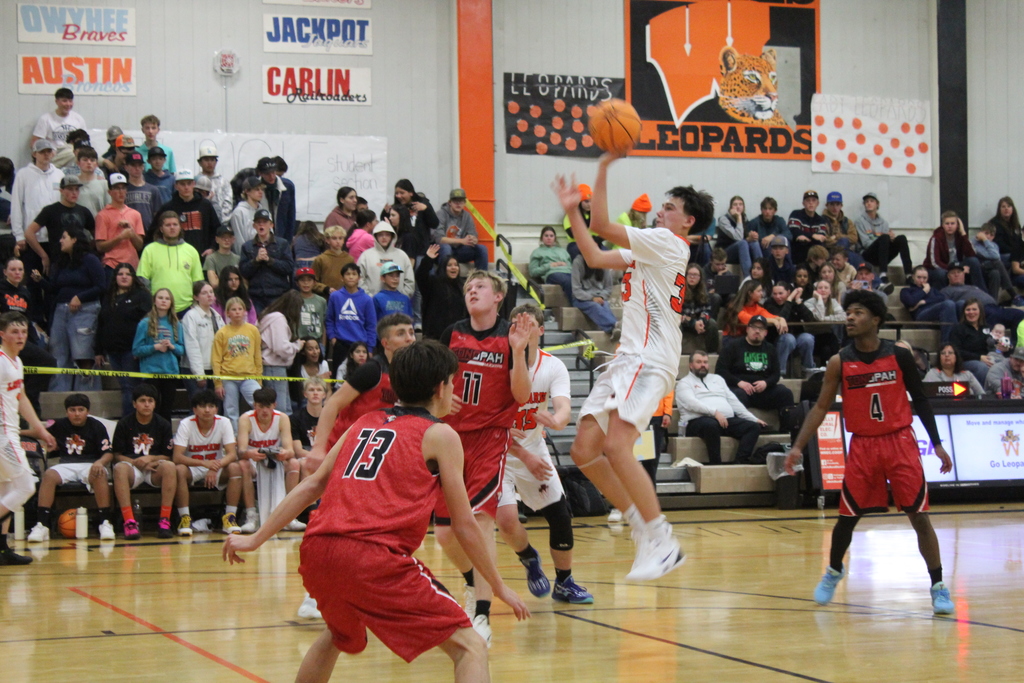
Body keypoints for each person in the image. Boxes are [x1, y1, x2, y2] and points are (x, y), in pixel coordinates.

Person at [222, 341, 529, 681]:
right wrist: (498, 586)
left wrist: (255, 539)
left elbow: (310, 487)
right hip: (374, 560)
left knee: (338, 635)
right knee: (470, 646)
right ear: (441, 387)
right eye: (453, 383)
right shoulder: (441, 435)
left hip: (318, 551)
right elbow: (465, 525)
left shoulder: (364, 422)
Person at [553, 153, 714, 581]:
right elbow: (592, 253)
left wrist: (602, 167)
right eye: (662, 205)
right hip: (628, 358)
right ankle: (642, 527)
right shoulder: (651, 248)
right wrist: (573, 211)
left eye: (670, 208)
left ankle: (663, 538)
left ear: (688, 222)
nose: (661, 211)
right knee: (584, 449)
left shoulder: (668, 243)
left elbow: (603, 227)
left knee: (617, 447)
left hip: (650, 358)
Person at [784, 290, 955, 616]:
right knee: (847, 518)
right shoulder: (839, 361)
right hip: (863, 445)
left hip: (900, 441)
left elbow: (920, 399)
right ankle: (834, 570)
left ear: (875, 318)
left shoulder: (900, 354)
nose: (850, 317)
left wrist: (937, 443)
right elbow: (821, 407)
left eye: (858, 312)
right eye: (848, 312)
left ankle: (938, 586)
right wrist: (797, 447)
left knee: (919, 516)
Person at [427, 274, 535, 645]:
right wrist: (442, 399)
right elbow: (434, 384)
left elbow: (521, 395)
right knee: (444, 533)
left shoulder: (512, 337)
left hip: (489, 439)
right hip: (450, 439)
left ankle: (483, 616)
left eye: (480, 287)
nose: (472, 291)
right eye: (468, 288)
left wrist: (519, 352)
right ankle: (475, 578)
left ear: (498, 298)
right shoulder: (451, 335)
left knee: (479, 522)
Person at [495, 303, 593, 604]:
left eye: (528, 324)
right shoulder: (498, 366)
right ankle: (528, 558)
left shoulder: (553, 366)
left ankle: (565, 582)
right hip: (496, 452)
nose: (521, 329)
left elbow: (563, 407)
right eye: (515, 324)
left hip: (533, 447)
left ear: (540, 330)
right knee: (508, 520)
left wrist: (558, 419)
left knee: (560, 515)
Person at [0, 312, 56, 564]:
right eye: (14, 331)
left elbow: (22, 398)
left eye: (23, 331)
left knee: (8, 489)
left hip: (11, 432)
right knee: (26, 486)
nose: (20, 336)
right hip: (3, 436)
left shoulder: (17, 362)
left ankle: (2, 550)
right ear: (2, 334)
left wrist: (40, 429)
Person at [28, 393, 116, 542]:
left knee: (100, 473)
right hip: (66, 464)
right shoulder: (59, 425)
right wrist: (14, 432)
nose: (76, 414)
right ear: (66, 411)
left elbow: (108, 453)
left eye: (80, 410)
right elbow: (39, 433)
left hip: (90, 464)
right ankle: (42, 525)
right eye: (72, 410)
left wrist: (100, 462)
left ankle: (105, 522)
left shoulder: (96, 426)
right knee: (49, 475)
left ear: (87, 411)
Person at [32, 227, 104, 392]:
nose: (60, 241)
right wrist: (40, 280)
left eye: (64, 237)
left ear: (75, 239)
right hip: (60, 311)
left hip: (85, 311)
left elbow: (101, 286)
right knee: (58, 354)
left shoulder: (90, 260)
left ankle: (87, 397)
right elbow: (53, 289)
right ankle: (59, 396)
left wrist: (80, 297)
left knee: (82, 355)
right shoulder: (62, 262)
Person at [172, 390, 243, 536]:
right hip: (192, 468)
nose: (207, 410)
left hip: (216, 466)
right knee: (178, 469)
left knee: (236, 467)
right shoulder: (186, 424)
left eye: (211, 406)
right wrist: (206, 464)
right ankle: (185, 518)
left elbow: (232, 454)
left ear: (216, 409)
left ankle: (229, 517)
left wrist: (215, 466)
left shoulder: (224, 422)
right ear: (194, 409)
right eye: (203, 406)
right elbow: (177, 457)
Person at [676, 350, 767, 464]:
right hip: (697, 421)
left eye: (705, 362)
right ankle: (716, 464)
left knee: (752, 427)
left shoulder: (717, 379)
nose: (703, 365)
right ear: (690, 365)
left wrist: (754, 419)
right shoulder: (684, 383)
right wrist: (715, 413)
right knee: (711, 425)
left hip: (725, 419)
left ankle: (740, 461)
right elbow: (691, 403)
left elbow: (733, 402)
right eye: (699, 362)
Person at [111, 383, 177, 539]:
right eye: (142, 400)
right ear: (134, 404)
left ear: (155, 404)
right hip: (131, 467)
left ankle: (164, 520)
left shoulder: (163, 424)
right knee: (119, 468)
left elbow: (167, 455)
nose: (147, 404)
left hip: (154, 468)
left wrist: (151, 459)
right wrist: (136, 462)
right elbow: (116, 455)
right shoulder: (124, 424)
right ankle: (129, 522)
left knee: (169, 466)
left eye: (150, 401)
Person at [237, 387, 304, 534]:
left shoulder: (282, 418)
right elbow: (240, 452)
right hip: (254, 461)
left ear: (275, 405)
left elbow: (290, 450)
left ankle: (290, 515)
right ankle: (251, 516)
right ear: (254, 405)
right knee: (243, 465)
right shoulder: (245, 419)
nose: (265, 411)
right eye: (261, 406)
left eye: (268, 406)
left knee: (294, 463)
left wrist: (284, 453)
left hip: (275, 461)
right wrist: (250, 453)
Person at [95, 263, 152, 415]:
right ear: (115, 277)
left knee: (130, 387)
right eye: (120, 274)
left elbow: (149, 323)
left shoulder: (142, 296)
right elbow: (101, 323)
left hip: (132, 350)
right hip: (113, 351)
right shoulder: (108, 297)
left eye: (128, 274)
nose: (124, 277)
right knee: (125, 387)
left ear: (133, 278)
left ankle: (129, 421)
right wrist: (98, 350)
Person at [0, 259, 56, 412]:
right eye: (13, 269)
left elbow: (28, 320)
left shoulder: (25, 292)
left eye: (20, 269)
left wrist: (34, 342)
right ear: (5, 272)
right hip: (4, 340)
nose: (17, 273)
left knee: (48, 362)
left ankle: (29, 401)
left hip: (21, 338)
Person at [717, 314, 795, 419]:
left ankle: (787, 430)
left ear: (765, 333)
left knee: (785, 393)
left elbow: (776, 374)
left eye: (761, 328)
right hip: (740, 388)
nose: (757, 331)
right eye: (754, 327)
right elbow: (721, 371)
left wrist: (766, 383)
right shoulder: (732, 346)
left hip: (763, 391)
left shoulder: (770, 349)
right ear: (748, 329)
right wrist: (739, 383)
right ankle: (740, 428)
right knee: (736, 395)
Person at [11, 140, 63, 280]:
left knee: (53, 280)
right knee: (34, 280)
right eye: (42, 152)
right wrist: (19, 236)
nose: (46, 155)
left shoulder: (59, 174)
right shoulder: (23, 174)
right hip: (33, 239)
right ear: (34, 154)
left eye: (48, 151)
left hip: (54, 239)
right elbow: (16, 205)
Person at [25, 174, 95, 276]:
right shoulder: (50, 210)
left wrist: (88, 249)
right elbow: (29, 233)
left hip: (80, 261)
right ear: (61, 191)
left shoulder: (84, 211)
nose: (74, 193)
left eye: (76, 189)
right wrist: (44, 256)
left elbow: (97, 234)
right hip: (58, 261)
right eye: (70, 189)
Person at [212, 297, 263, 433]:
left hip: (249, 376)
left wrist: (259, 379)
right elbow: (216, 359)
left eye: (240, 309)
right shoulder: (222, 333)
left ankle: (258, 434)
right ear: (227, 313)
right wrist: (218, 383)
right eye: (233, 310)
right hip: (228, 377)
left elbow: (257, 356)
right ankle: (233, 439)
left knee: (260, 404)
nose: (237, 312)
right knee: (231, 410)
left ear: (245, 311)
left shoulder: (253, 330)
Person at [132, 288, 184, 421]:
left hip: (170, 372)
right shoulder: (145, 323)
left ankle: (165, 439)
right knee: (151, 410)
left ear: (171, 303)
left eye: (167, 298)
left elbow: (181, 350)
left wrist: (171, 346)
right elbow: (136, 350)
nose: (163, 301)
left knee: (166, 409)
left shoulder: (176, 324)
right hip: (151, 372)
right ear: (154, 301)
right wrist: (155, 347)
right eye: (160, 298)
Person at [137, 211, 204, 312]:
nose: (172, 227)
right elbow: (143, 280)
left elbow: (197, 282)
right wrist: (151, 303)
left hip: (186, 309)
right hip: (159, 309)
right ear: (161, 229)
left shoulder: (191, 250)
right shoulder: (149, 250)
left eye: (175, 224)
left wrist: (195, 304)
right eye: (168, 225)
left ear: (180, 227)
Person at [258, 291, 305, 415]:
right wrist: (297, 346)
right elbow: (281, 348)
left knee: (287, 408)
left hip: (276, 366)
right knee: (280, 408)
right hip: (273, 366)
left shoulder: (272, 316)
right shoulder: (278, 319)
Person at [156, 169, 221, 257]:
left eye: (189, 183)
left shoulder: (205, 205)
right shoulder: (168, 207)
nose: (186, 187)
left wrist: (213, 248)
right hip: (175, 256)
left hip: (202, 256)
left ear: (194, 184)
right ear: (176, 186)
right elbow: (156, 231)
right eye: (182, 184)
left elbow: (216, 229)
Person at [240, 208, 294, 312]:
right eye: (258, 222)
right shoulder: (247, 247)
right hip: (256, 297)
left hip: (278, 295)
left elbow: (289, 267)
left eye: (265, 222)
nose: (261, 225)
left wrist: (270, 260)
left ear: (271, 225)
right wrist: (256, 260)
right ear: (254, 226)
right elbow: (243, 271)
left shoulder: (282, 244)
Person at [327, 263, 377, 371]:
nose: (350, 277)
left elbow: (371, 325)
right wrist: (333, 338)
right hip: (341, 343)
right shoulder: (335, 296)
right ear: (342, 278)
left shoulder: (367, 299)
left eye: (354, 274)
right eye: (347, 274)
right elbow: (330, 319)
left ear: (359, 278)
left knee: (360, 377)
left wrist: (369, 348)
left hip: (360, 345)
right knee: (339, 377)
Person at [93, 173, 144, 278]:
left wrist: (131, 233)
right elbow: (100, 247)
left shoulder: (135, 214)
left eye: (123, 188)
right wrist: (120, 237)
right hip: (112, 265)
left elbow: (139, 246)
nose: (121, 192)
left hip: (132, 265)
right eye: (117, 188)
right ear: (110, 192)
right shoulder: (102, 215)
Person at [418, 244, 469, 341]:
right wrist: (428, 259)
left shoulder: (462, 286)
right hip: (434, 337)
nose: (453, 268)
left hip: (457, 336)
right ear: (443, 268)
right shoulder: (433, 284)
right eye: (449, 265)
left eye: (456, 265)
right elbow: (421, 276)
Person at [764, 281, 816, 377]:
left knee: (807, 338)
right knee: (788, 338)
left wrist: (798, 302)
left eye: (780, 293)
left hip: (797, 336)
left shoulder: (794, 302)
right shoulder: (769, 303)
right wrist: (789, 301)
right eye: (775, 294)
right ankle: (779, 372)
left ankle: (808, 369)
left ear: (788, 292)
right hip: (777, 338)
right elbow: (781, 317)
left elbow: (809, 318)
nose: (777, 297)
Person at [181, 281, 224, 396]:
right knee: (199, 404)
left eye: (211, 292)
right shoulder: (191, 316)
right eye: (204, 293)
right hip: (194, 369)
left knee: (214, 406)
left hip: (214, 368)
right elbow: (192, 345)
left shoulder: (217, 316)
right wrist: (199, 374)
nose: (209, 295)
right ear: (196, 297)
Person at [924, 212, 984, 289]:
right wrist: (954, 270)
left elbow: (972, 253)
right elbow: (935, 262)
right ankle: (942, 297)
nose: (950, 226)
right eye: (947, 223)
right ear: (943, 225)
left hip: (957, 265)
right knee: (940, 273)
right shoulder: (936, 238)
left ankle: (981, 292)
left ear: (957, 225)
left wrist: (963, 233)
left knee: (973, 261)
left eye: (952, 223)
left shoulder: (960, 236)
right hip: (938, 269)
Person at [900, 266, 958, 344]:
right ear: (913, 277)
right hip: (921, 316)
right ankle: (946, 345)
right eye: (919, 277)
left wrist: (924, 302)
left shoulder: (932, 290)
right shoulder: (906, 291)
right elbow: (911, 302)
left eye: (925, 278)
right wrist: (924, 291)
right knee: (948, 304)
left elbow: (942, 298)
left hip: (938, 314)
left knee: (960, 304)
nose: (922, 280)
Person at [436, 188, 488, 271]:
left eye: (461, 201)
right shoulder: (441, 214)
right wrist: (462, 241)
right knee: (446, 248)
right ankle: (443, 279)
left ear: (464, 203)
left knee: (481, 249)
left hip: (460, 250)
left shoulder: (467, 216)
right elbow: (439, 239)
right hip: (442, 250)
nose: (458, 204)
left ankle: (482, 278)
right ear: (450, 202)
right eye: (455, 201)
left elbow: (473, 234)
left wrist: (472, 239)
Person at [357, 222, 415, 297]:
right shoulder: (366, 256)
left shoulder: (402, 255)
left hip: (398, 302)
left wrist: (402, 297)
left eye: (387, 235)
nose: (384, 237)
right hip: (372, 302)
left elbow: (409, 281)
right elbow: (359, 279)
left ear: (392, 236)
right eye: (380, 235)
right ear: (375, 236)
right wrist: (369, 298)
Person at [571, 253, 620, 337]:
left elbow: (608, 287)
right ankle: (615, 326)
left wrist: (601, 297)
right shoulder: (578, 262)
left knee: (605, 305)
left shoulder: (603, 262)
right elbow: (576, 290)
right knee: (595, 306)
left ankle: (613, 329)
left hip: (600, 297)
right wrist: (592, 298)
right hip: (582, 298)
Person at [951, 299, 999, 386]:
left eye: (974, 309)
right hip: (966, 361)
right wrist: (979, 357)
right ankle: (983, 395)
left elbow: (993, 346)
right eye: (968, 309)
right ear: (964, 312)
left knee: (1004, 363)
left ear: (980, 311)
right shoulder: (958, 328)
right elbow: (956, 351)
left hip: (987, 358)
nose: (971, 312)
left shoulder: (987, 327)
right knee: (981, 367)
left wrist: (1002, 347)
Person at [715, 195, 762, 278]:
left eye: (740, 204)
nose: (738, 207)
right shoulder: (723, 219)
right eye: (735, 204)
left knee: (754, 242)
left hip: (741, 250)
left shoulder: (744, 217)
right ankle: (748, 278)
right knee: (743, 243)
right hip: (725, 252)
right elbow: (738, 238)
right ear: (730, 207)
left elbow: (744, 236)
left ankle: (762, 273)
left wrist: (752, 236)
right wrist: (739, 217)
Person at [529, 225, 574, 305]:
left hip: (568, 272)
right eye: (546, 236)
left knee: (581, 280)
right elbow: (533, 272)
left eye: (551, 236)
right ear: (541, 238)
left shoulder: (562, 251)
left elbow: (570, 265)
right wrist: (550, 265)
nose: (549, 238)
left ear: (555, 238)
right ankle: (575, 305)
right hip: (552, 274)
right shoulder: (537, 252)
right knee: (569, 281)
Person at [680, 263, 720, 353]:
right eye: (689, 274)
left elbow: (707, 311)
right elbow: (678, 315)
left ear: (700, 277)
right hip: (684, 322)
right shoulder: (679, 290)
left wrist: (702, 320)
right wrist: (693, 323)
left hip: (698, 321)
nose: (692, 277)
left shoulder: (704, 291)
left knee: (712, 323)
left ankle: (712, 353)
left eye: (695, 275)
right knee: (677, 325)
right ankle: (676, 352)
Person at [971, 222, 1017, 299]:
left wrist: (986, 241)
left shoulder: (994, 245)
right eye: (986, 233)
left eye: (991, 235)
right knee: (997, 263)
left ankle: (993, 302)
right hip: (979, 267)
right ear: (980, 233)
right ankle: (1013, 294)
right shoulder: (974, 243)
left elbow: (996, 256)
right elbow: (994, 257)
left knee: (995, 273)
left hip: (990, 269)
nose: (988, 236)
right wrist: (984, 240)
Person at [256, 157, 296, 242]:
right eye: (267, 174)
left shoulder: (288, 186)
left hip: (281, 237)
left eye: (273, 172)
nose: (272, 176)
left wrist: (287, 241)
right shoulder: (255, 188)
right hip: (260, 237)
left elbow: (291, 216)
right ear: (260, 173)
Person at [821, 192, 863, 267]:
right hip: (830, 251)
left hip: (846, 251)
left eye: (837, 204)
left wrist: (837, 237)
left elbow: (854, 238)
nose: (835, 207)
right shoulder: (821, 220)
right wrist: (842, 239)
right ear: (827, 205)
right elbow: (825, 240)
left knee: (857, 258)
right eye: (832, 204)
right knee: (845, 245)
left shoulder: (847, 221)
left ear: (841, 205)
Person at [123, 151, 163, 230]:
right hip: (128, 231)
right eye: (133, 165)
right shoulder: (123, 190)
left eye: (140, 165)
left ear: (143, 167)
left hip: (149, 232)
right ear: (126, 167)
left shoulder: (153, 190)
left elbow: (157, 215)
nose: (137, 168)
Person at [311, 225, 355, 296]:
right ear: (327, 240)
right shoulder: (321, 259)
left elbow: (354, 278)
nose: (338, 241)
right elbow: (313, 281)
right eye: (334, 238)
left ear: (344, 240)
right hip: (326, 297)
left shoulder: (349, 259)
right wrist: (325, 288)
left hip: (346, 296)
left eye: (340, 238)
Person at [787, 190, 827, 264]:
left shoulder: (821, 220)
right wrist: (813, 235)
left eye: (813, 200)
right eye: (808, 200)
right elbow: (793, 230)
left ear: (817, 203)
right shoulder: (796, 214)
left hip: (814, 249)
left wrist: (804, 235)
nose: (811, 203)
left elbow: (821, 237)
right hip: (798, 249)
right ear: (803, 203)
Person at [197, 144, 233, 223]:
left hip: (221, 223)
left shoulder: (224, 181)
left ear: (216, 162)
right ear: (199, 162)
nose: (209, 163)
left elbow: (228, 203)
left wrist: (220, 221)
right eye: (206, 160)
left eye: (212, 160)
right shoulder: (196, 182)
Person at [228, 176, 264, 253]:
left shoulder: (264, 211)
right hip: (247, 258)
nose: (261, 192)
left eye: (262, 189)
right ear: (247, 191)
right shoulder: (239, 212)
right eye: (257, 189)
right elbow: (238, 240)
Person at [71, 146, 109, 216]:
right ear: (78, 163)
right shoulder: (73, 184)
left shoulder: (103, 183)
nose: (89, 163)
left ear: (97, 164)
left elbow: (108, 208)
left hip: (98, 224)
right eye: (85, 160)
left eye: (92, 160)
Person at [561, 183, 595, 261]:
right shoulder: (570, 216)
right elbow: (572, 234)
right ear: (579, 202)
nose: (589, 205)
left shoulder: (595, 215)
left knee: (605, 252)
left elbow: (601, 233)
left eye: (591, 201)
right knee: (581, 257)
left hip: (593, 243)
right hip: (576, 244)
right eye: (586, 202)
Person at [295, 267, 327, 343]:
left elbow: (323, 324)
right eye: (302, 280)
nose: (306, 283)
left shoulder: (321, 301)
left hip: (317, 340)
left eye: (309, 280)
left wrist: (323, 344)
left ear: (314, 282)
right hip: (299, 341)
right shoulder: (293, 300)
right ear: (297, 283)